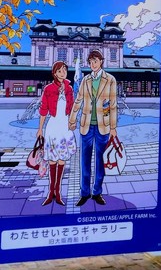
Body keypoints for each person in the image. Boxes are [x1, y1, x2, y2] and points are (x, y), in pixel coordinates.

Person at [69, 49, 117, 207]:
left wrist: (113, 127)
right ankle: (84, 193)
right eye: (90, 62)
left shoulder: (110, 79)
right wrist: (72, 119)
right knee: (85, 161)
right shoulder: (85, 80)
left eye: (95, 61)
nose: (92, 64)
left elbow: (113, 105)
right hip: (86, 125)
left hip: (103, 127)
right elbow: (78, 100)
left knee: (100, 162)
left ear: (101, 61)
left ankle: (97, 192)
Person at [36, 61, 77, 206]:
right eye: (59, 71)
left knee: (62, 160)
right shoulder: (48, 89)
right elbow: (43, 110)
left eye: (64, 70)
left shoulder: (69, 88)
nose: (62, 73)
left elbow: (72, 108)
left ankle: (58, 193)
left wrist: (73, 121)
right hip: (53, 126)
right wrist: (40, 129)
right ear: (54, 73)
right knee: (52, 160)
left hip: (65, 126)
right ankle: (50, 192)